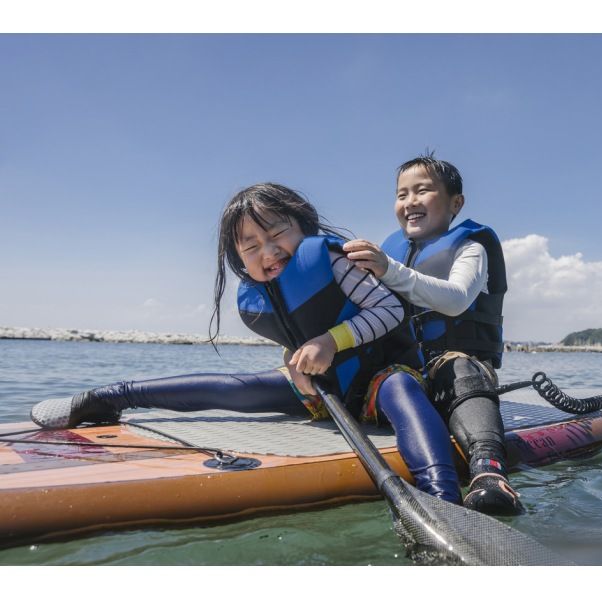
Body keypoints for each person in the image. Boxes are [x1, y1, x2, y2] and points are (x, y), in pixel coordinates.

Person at [30, 182, 461, 504]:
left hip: (381, 380)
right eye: (251, 246)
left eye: (277, 234)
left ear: (303, 228)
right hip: (323, 392)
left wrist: (331, 341)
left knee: (401, 389)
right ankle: (110, 397)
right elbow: (295, 333)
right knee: (232, 389)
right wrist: (297, 360)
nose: (269, 251)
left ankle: (442, 497)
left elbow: (390, 312)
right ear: (239, 260)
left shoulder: (333, 260)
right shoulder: (259, 295)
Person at [343, 154, 523, 515]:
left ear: (455, 203)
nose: (409, 202)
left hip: (457, 371)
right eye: (401, 194)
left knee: (457, 366)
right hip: (405, 374)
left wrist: (388, 269)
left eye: (422, 191)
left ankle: (489, 471)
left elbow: (455, 300)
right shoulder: (390, 250)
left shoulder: (471, 247)